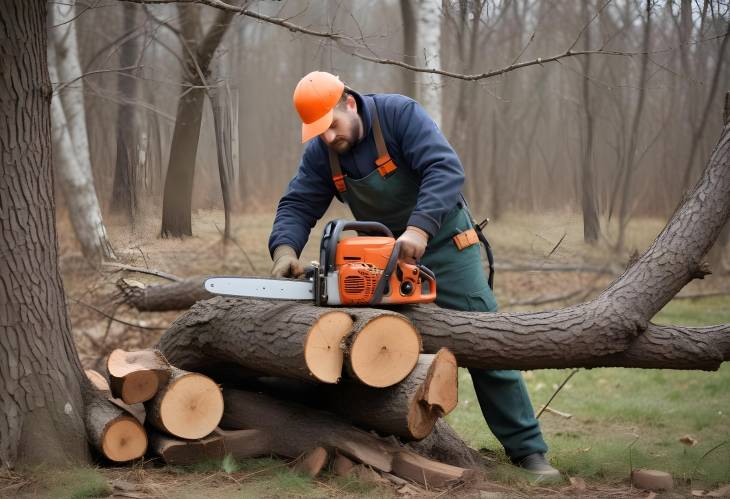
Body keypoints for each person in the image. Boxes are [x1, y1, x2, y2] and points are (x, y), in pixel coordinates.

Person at [268, 71, 560, 479]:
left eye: (333, 125)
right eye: (320, 132)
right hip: (381, 259)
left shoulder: (399, 115)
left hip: (444, 246)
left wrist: (419, 227)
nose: (330, 136)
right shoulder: (324, 151)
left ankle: (528, 452)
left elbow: (445, 169)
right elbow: (298, 202)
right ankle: (385, 440)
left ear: (349, 104)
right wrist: (284, 250)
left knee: (485, 342)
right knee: (377, 346)